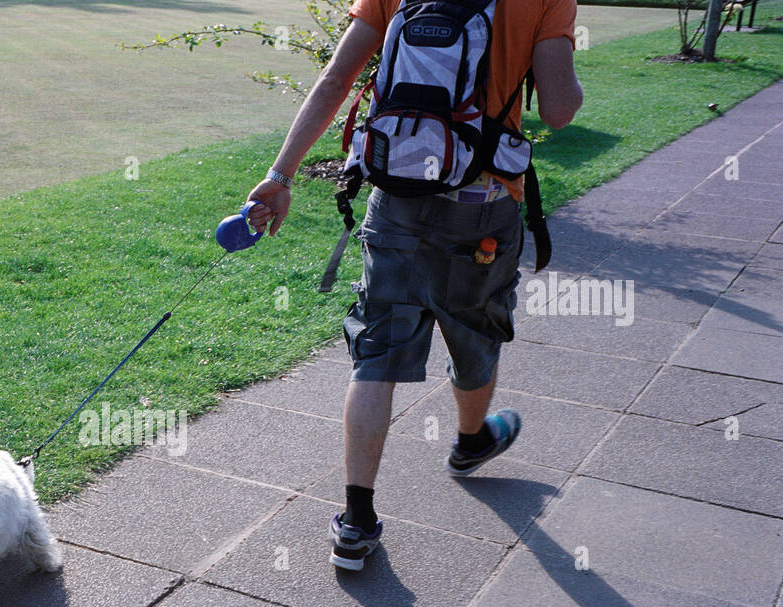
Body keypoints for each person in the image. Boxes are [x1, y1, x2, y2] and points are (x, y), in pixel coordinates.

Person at [246, 0, 583, 571]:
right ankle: (472, 439)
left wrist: (280, 176)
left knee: (377, 353)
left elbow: (335, 79)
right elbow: (558, 110)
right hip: (483, 206)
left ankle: (355, 522)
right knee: (476, 331)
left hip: (395, 195)